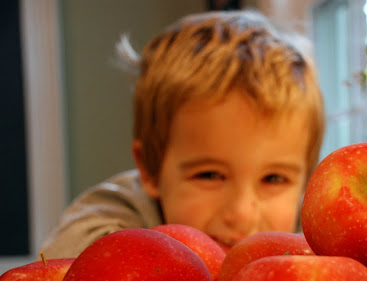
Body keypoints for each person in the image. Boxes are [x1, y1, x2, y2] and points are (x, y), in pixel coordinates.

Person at [40, 9, 325, 258]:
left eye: (274, 179)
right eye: (209, 175)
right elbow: (70, 269)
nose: (242, 215)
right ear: (151, 169)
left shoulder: (310, 230)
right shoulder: (114, 210)